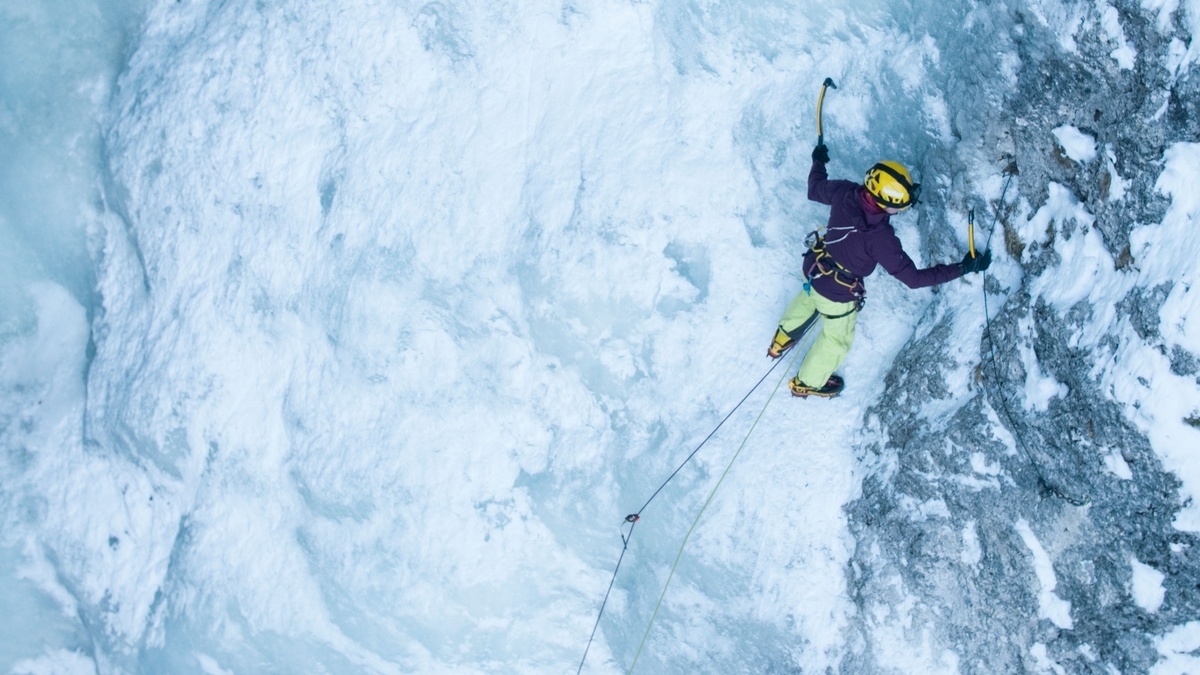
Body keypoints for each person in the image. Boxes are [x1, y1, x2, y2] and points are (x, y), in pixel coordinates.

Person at [767, 143, 992, 398]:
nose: (901, 209)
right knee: (835, 340)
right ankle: (807, 382)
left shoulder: (846, 191)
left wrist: (818, 160)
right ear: (886, 202)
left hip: (815, 268)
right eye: (901, 205)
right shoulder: (880, 237)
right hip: (838, 294)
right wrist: (964, 267)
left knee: (808, 297)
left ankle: (781, 339)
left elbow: (814, 188)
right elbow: (914, 279)